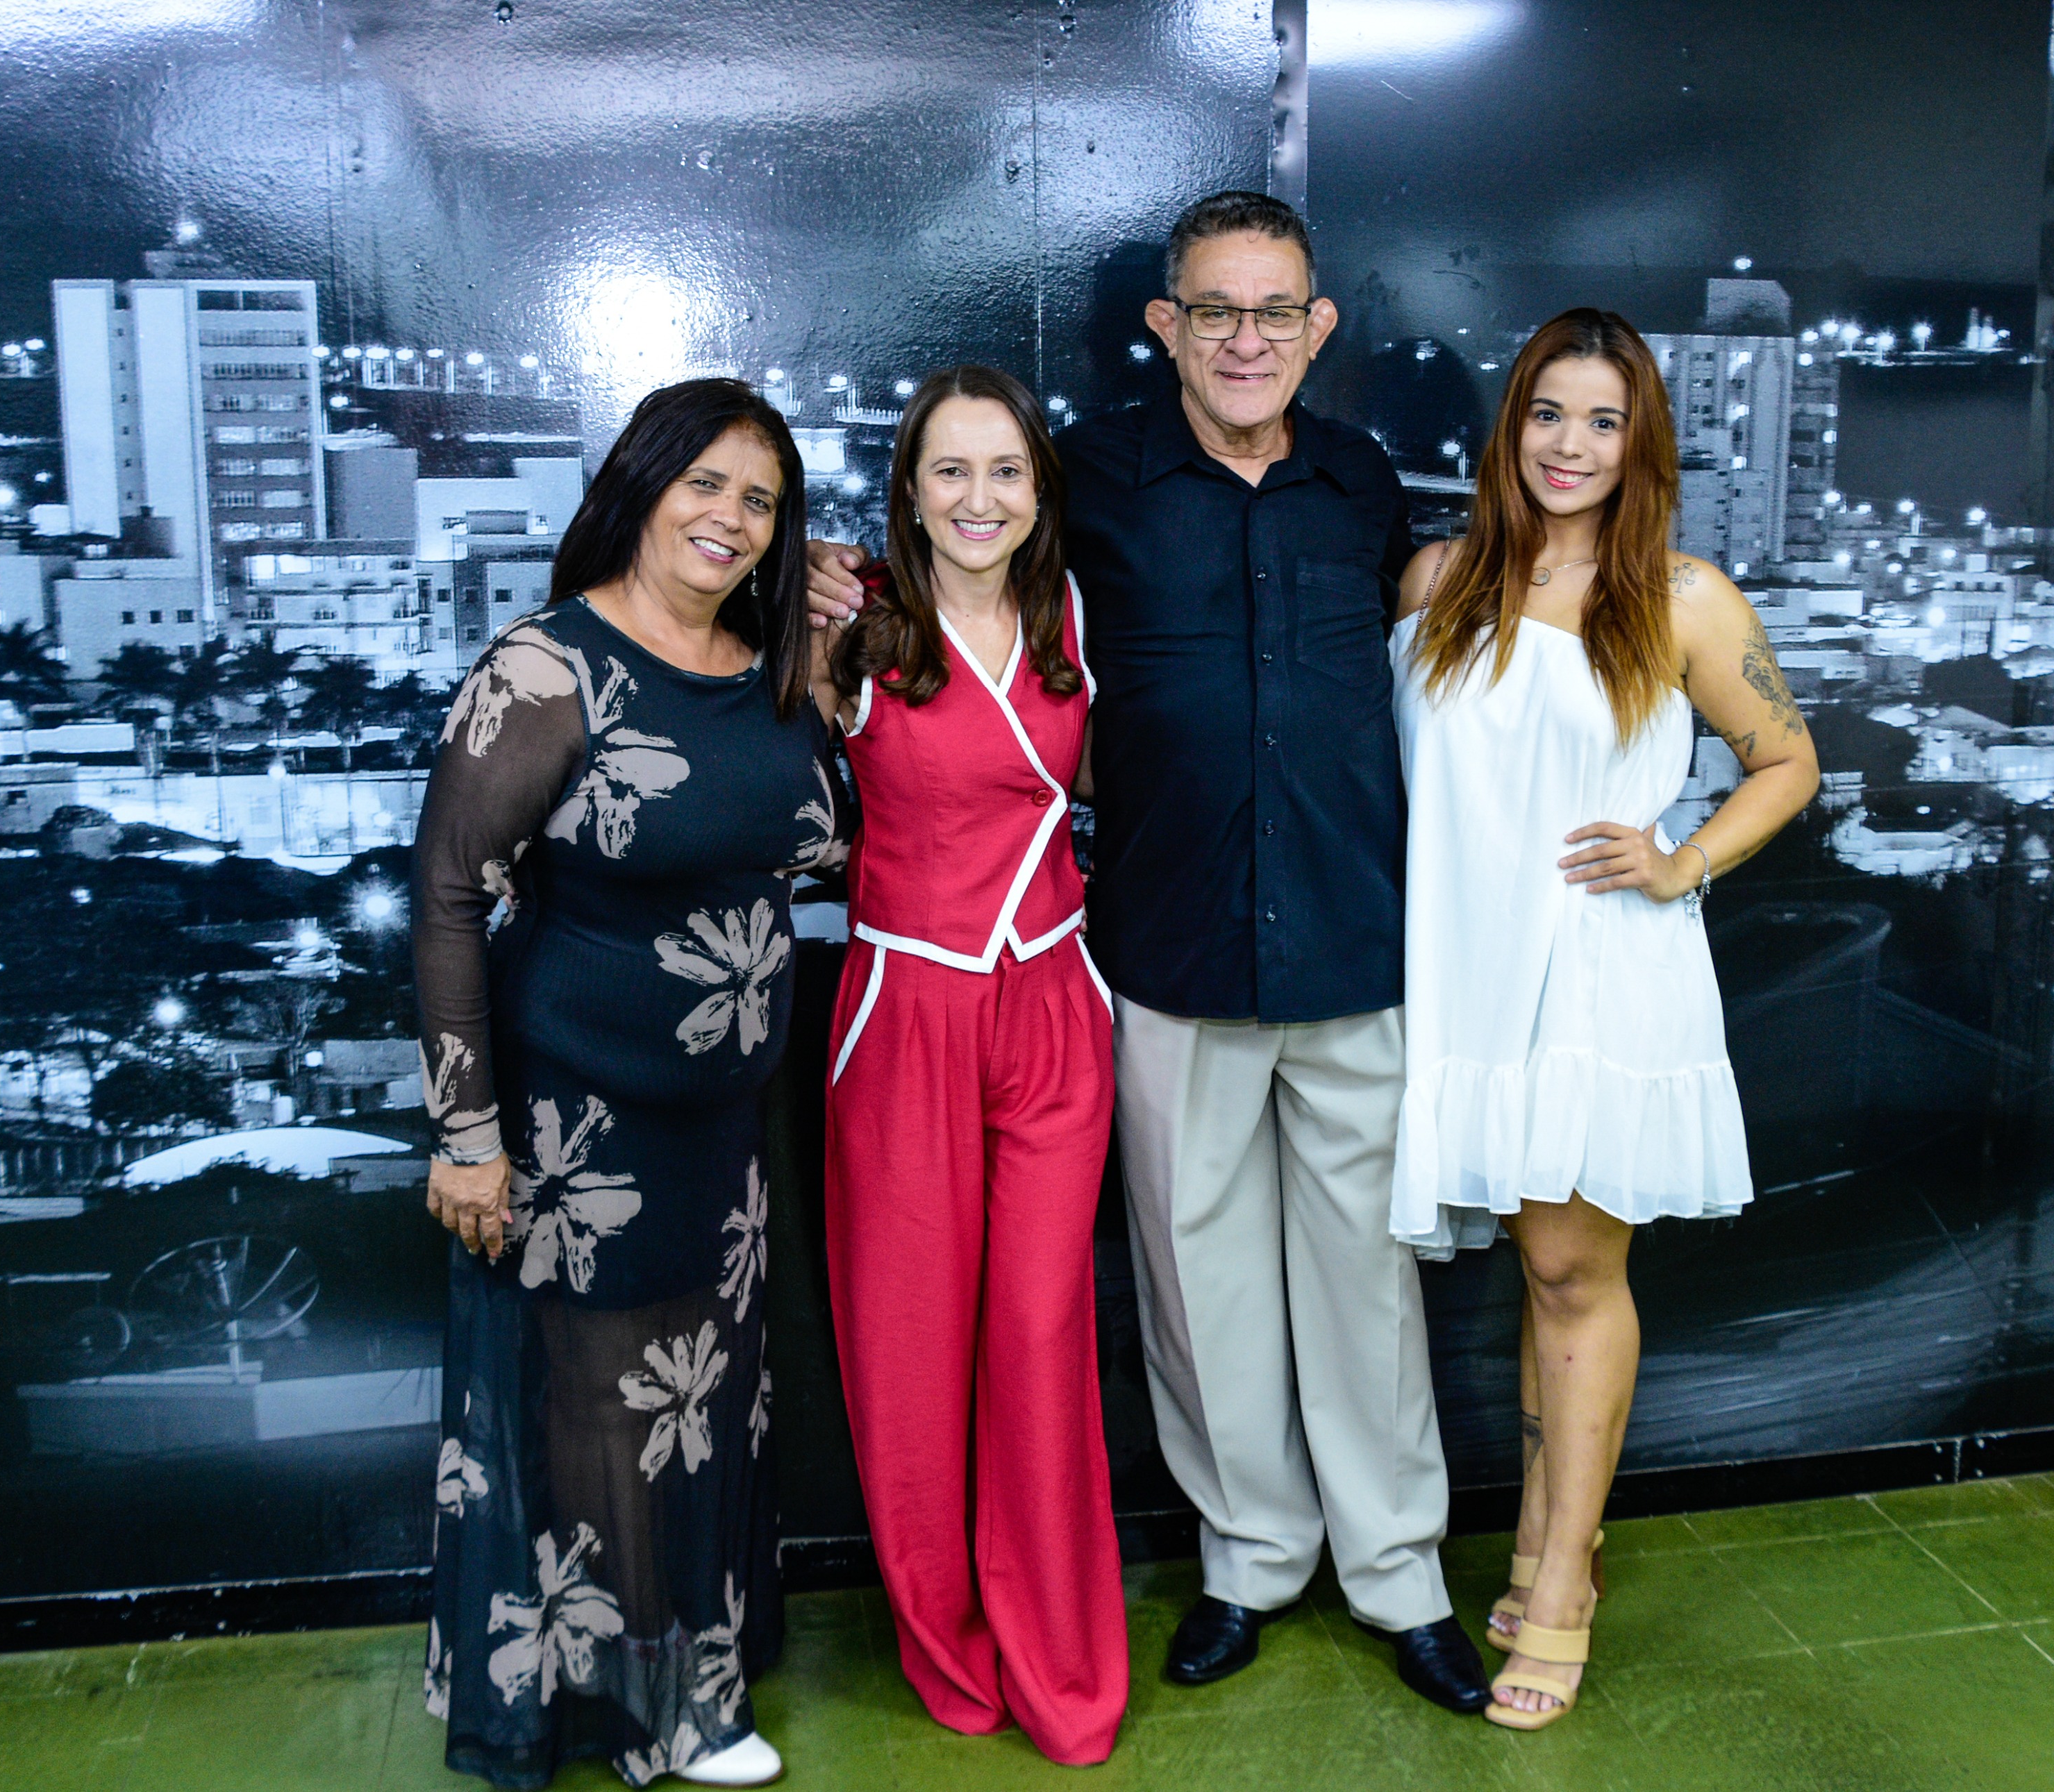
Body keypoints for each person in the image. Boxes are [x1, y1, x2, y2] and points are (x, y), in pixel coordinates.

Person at [810, 191, 1491, 1716]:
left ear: (1316, 327)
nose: (1247, 339)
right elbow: (963, 578)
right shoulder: (1088, 482)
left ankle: (1399, 1576)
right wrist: (832, 583)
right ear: (1166, 324)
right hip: (1162, 956)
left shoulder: (1361, 480)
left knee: (1369, 1294)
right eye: (1216, 311)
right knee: (1199, 1292)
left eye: (1276, 312)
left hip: (1352, 942)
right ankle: (1250, 1562)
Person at [414, 378, 846, 1790]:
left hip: (721, 1124)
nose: (732, 517)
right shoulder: (549, 669)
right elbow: (448, 897)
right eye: (705, 483)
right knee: (608, 1411)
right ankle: (661, 1713)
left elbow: (825, 841)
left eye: (761, 500)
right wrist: (466, 1135)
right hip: (573, 1122)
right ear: (641, 485)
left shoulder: (769, 666)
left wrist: (843, 640)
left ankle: (687, 1671)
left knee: (697, 1405)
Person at [1391, 308, 1819, 1731]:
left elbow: (1786, 760)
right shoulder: (1440, 579)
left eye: (1603, 420)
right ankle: (1538, 1544)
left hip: (1599, 972)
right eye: (1546, 413)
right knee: (1542, 1266)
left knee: (1575, 1269)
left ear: (1642, 445)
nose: (1569, 445)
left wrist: (1681, 859)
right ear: (1509, 426)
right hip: (1469, 974)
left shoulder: (1684, 597)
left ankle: (1564, 1584)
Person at [808, 365, 1127, 1766]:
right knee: (911, 1349)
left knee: (1042, 1341)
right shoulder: (852, 627)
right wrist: (802, 580)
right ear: (909, 487)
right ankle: (946, 1645)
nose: (979, 498)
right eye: (950, 469)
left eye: (1006, 470)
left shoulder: (1073, 619)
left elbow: (1112, 774)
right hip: (907, 1014)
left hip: (1054, 1006)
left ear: (1040, 489)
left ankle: (1058, 1653)